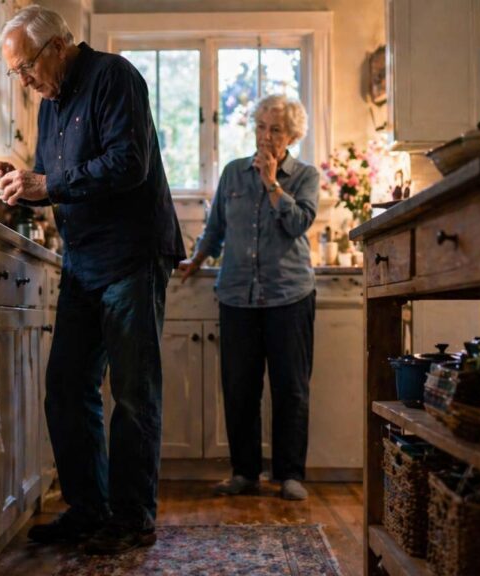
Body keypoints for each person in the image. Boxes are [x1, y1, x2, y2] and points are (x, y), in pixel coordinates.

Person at [0, 5, 185, 555]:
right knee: (67, 390)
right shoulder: (50, 105)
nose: (23, 82)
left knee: (132, 393)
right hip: (83, 261)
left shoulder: (113, 76)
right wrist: (21, 177)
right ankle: (89, 508)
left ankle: (132, 517)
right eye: (15, 74)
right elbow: (57, 176)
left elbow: (129, 163)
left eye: (25, 67)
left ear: (57, 47)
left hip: (132, 255)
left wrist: (46, 183)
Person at [178, 95, 318, 501]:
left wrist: (273, 183)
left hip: (289, 294)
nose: (265, 135)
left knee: (290, 388)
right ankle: (245, 473)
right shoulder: (232, 174)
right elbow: (215, 227)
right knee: (239, 388)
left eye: (275, 129)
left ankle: (289, 474)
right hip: (237, 295)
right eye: (260, 126)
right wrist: (197, 259)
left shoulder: (304, 176)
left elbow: (298, 224)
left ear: (292, 135)